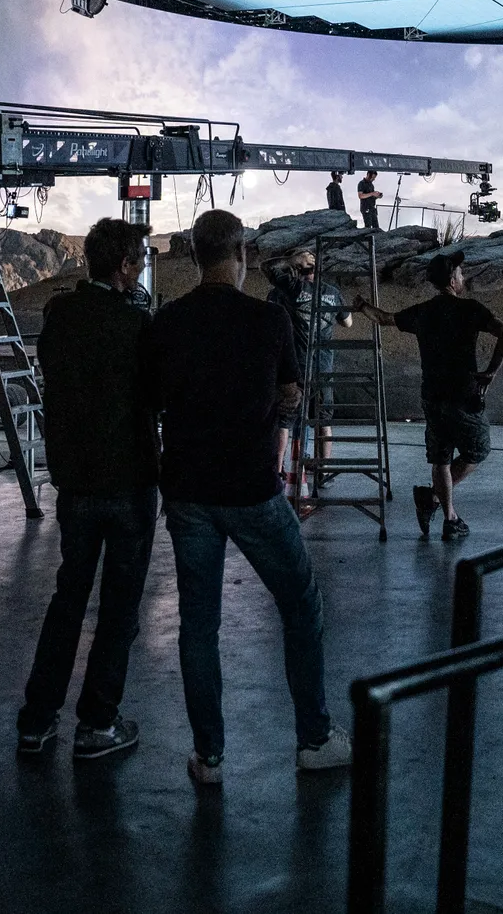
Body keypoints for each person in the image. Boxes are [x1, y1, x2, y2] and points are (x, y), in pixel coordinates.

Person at [141, 209, 351, 785]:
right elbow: (292, 393)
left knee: (198, 625)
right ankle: (314, 739)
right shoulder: (268, 319)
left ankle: (209, 757)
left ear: (195, 255)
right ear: (241, 256)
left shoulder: (168, 321)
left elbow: (151, 401)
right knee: (300, 603)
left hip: (188, 491)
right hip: (252, 489)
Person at [18, 219, 160, 759]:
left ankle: (37, 720)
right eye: (140, 258)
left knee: (68, 599)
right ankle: (97, 724)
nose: (143, 266)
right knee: (120, 608)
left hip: (75, 482)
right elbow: (156, 395)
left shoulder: (61, 315)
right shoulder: (137, 323)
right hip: (128, 480)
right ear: (124, 264)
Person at [356, 253, 503, 541]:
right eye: (461, 273)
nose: (463, 277)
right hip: (463, 396)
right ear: (452, 280)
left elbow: (383, 318)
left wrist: (362, 305)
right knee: (477, 450)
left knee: (441, 457)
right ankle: (434, 500)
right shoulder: (471, 309)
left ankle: (448, 516)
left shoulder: (423, 312)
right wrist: (490, 372)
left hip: (432, 396)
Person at [265, 248, 352, 468]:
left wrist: (290, 260)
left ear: (295, 269)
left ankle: (278, 468)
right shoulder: (332, 292)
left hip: (296, 365)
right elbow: (348, 322)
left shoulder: (291, 288)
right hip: (323, 366)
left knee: (285, 420)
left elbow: (268, 268)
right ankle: (323, 466)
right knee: (323, 419)